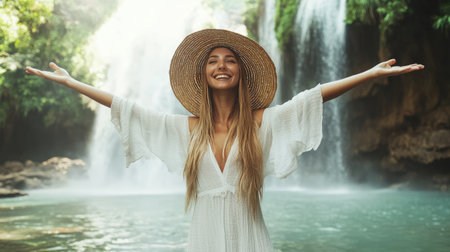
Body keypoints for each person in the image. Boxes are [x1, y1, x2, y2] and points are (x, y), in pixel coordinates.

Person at [26, 29, 424, 251]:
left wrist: (368, 75)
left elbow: (312, 97)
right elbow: (127, 108)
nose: (222, 65)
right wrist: (72, 82)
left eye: (230, 60)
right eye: (213, 61)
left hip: (250, 239)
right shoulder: (186, 130)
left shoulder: (261, 124)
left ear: (240, 73)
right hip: (203, 240)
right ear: (203, 74)